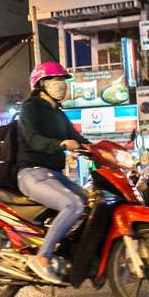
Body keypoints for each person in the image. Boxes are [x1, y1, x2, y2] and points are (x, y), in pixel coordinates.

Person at [15, 62, 92, 284]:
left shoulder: (58, 113)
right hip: (32, 172)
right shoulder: (31, 108)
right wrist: (60, 145)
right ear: (40, 84)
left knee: (89, 203)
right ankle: (42, 257)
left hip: (54, 174)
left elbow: (77, 138)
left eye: (62, 80)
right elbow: (33, 139)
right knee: (73, 204)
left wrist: (98, 149)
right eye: (54, 79)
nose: (60, 85)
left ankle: (68, 252)